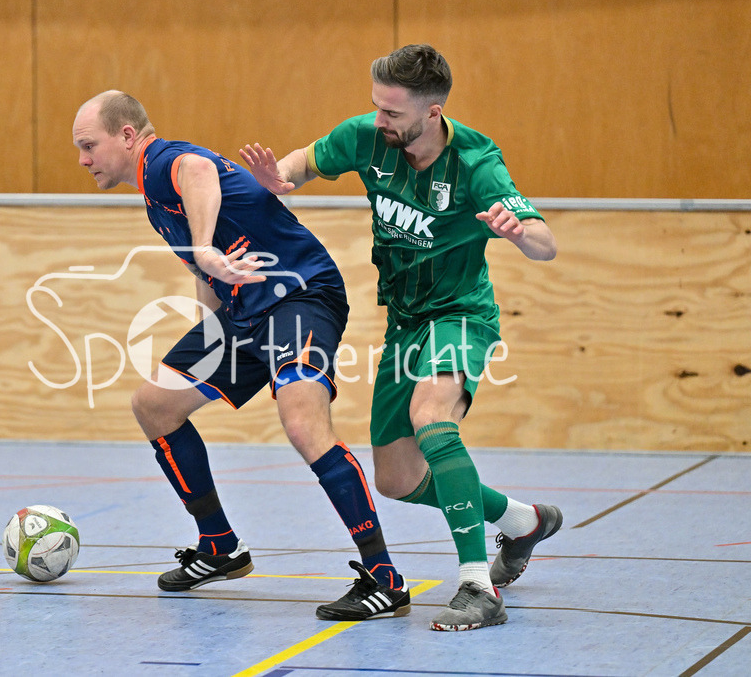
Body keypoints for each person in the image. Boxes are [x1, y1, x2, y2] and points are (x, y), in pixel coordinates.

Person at [239, 44, 563, 631]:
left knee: (432, 417)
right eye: (376, 106)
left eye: (392, 112)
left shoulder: (476, 162)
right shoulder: (366, 137)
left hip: (459, 314)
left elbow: (546, 243)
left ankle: (477, 586)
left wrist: (520, 232)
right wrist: (277, 179)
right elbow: (305, 161)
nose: (379, 119)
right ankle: (523, 522)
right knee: (396, 479)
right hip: (405, 323)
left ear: (433, 112)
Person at [72, 90, 410, 621]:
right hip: (243, 312)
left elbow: (199, 171)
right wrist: (207, 333)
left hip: (298, 293)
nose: (83, 159)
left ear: (128, 136)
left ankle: (384, 578)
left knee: (302, 421)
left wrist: (204, 245)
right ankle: (219, 546)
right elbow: (205, 271)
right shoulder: (154, 201)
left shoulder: (161, 162)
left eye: (89, 145)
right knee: (155, 404)